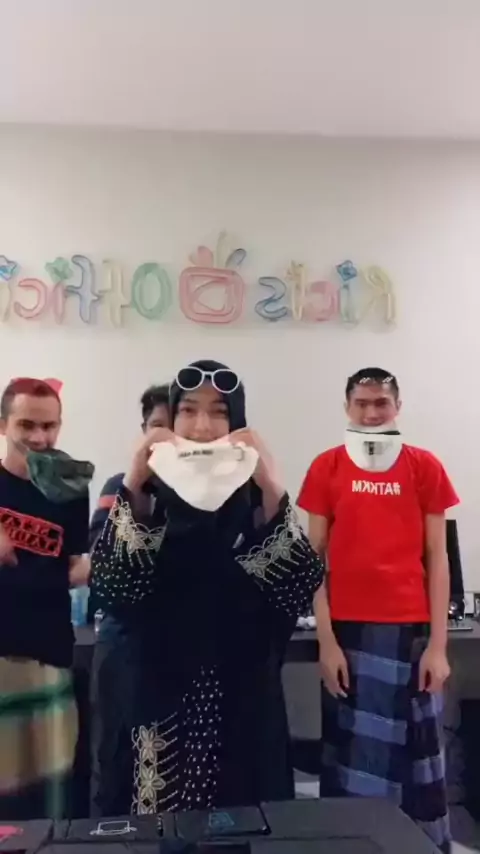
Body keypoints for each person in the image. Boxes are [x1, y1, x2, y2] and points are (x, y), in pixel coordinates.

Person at [90, 359, 324, 816]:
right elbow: (113, 589)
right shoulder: (146, 494)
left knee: (242, 827)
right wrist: (135, 480)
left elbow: (297, 589)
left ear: (237, 421)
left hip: (242, 702)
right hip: (155, 702)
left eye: (219, 412)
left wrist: (270, 485)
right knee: (158, 831)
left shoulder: (252, 495)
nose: (201, 427)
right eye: (188, 410)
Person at [297, 367, 458, 854]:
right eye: (362, 403)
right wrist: (326, 643)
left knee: (417, 760)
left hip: (411, 633)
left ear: (397, 407)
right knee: (354, 758)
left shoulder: (423, 466)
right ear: (347, 407)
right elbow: (314, 561)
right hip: (349, 635)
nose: (371, 413)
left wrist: (438, 647)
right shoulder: (326, 467)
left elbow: (438, 557)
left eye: (381, 403)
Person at [0, 378, 90, 820]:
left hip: (51, 653)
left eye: (49, 426)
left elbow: (74, 568)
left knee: (52, 797)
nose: (39, 437)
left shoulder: (70, 487)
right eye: (27, 425)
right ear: (3, 425)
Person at [89, 384, 170, 548]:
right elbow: (97, 551)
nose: (165, 436)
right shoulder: (119, 484)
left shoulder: (199, 490)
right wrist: (133, 484)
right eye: (157, 426)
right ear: (144, 430)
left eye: (174, 427)